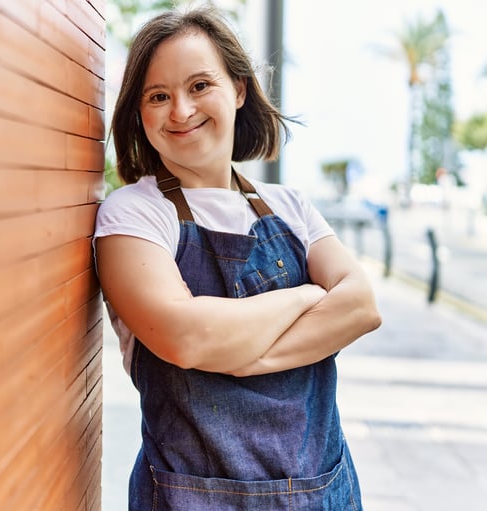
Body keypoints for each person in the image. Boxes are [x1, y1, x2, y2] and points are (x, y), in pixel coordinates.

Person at [94, 6, 382, 510]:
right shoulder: (133, 215)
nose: (181, 110)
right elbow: (185, 338)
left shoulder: (291, 205)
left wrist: (231, 351)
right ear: (139, 114)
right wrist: (311, 295)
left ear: (240, 89)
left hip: (324, 491)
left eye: (200, 85)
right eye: (158, 96)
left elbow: (361, 307)